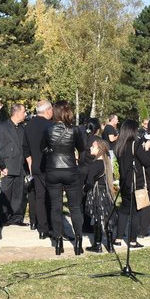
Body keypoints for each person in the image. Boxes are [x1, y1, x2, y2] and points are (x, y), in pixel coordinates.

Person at [42, 101, 86, 255]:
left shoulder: (48, 128)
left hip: (53, 169)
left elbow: (43, 147)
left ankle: (58, 240)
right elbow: (82, 149)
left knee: (56, 207)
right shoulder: (75, 130)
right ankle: (78, 241)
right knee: (75, 207)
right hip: (70, 169)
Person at [114, 119, 150, 248]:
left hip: (124, 182)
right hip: (136, 182)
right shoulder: (135, 145)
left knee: (124, 210)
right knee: (136, 212)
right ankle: (132, 240)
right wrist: (146, 149)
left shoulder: (120, 145)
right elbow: (146, 162)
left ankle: (118, 238)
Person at [0, 103, 28, 227]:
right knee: (6, 192)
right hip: (8, 164)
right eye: (24, 111)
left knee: (19, 193)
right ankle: (4, 218)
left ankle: (17, 217)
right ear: (17, 112)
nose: (25, 114)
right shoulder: (2, 127)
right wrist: (1, 165)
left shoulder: (23, 127)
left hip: (20, 164)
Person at [23, 100, 53, 240]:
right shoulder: (50, 125)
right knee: (52, 196)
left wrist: (30, 162)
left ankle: (42, 228)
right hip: (49, 165)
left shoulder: (28, 125)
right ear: (48, 110)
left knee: (39, 197)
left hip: (35, 164)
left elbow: (25, 147)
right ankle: (52, 226)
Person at [82, 138, 115, 252]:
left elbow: (90, 182)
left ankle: (97, 245)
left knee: (97, 219)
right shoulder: (107, 163)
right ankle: (110, 246)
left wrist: (84, 190)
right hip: (106, 193)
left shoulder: (94, 164)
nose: (91, 148)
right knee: (107, 218)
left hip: (96, 193)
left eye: (93, 146)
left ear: (99, 149)